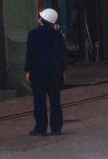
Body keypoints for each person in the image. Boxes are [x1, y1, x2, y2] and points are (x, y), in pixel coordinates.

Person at [24, 7, 67, 136]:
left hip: (38, 73)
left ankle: (40, 128)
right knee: (55, 101)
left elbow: (30, 54)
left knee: (39, 101)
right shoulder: (57, 35)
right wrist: (63, 72)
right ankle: (56, 128)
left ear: (41, 20)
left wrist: (28, 71)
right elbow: (62, 55)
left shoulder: (33, 34)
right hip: (55, 73)